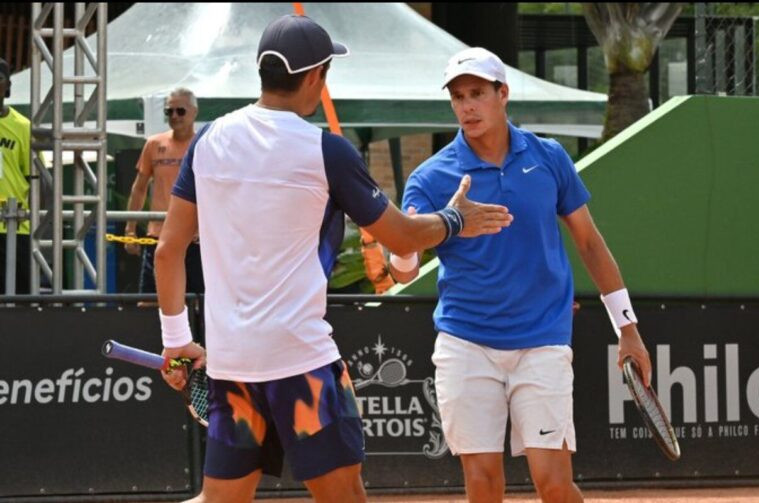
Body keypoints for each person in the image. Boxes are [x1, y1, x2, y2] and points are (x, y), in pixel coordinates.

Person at [154, 15, 512, 503]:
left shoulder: (208, 140)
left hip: (231, 363)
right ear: (314, 77)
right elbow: (401, 236)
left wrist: (176, 342)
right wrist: (456, 219)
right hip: (301, 363)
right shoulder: (326, 151)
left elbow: (168, 251)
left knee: (219, 499)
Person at [389, 47, 652, 503]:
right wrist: (402, 249)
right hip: (466, 343)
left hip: (542, 341)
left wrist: (627, 329)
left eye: (477, 93)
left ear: (502, 94)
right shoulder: (431, 178)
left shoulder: (548, 157)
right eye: (458, 97)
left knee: (555, 485)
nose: (467, 106)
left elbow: (589, 243)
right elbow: (405, 268)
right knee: (483, 485)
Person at [124, 87, 204, 295]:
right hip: (158, 236)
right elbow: (139, 188)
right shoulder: (153, 144)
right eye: (169, 111)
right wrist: (130, 229)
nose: (174, 116)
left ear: (194, 112)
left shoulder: (204, 145)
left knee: (198, 302)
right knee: (149, 300)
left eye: (180, 111)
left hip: (195, 239)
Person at [0, 58, 33, 295]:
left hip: (14, 226)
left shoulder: (22, 126)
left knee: (18, 298)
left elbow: (36, 179)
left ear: (8, 85)